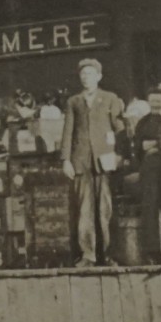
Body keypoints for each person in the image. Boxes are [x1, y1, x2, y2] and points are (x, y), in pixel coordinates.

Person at [61, 58, 127, 267]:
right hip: (81, 162)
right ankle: (88, 255)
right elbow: (68, 132)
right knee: (84, 210)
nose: (86, 78)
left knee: (106, 209)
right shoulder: (74, 102)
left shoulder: (110, 99)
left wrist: (120, 154)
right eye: (83, 74)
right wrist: (65, 160)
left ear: (99, 76)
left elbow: (120, 129)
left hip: (104, 161)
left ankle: (108, 254)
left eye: (90, 74)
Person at [133, 85, 161, 264]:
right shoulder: (143, 122)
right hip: (149, 169)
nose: (155, 104)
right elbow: (139, 146)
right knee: (150, 208)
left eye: (159, 100)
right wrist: (157, 144)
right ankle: (153, 252)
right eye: (152, 101)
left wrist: (155, 144)